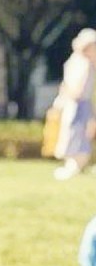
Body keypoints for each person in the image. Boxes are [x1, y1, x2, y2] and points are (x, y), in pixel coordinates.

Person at [52, 28, 96, 180]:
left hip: (83, 102)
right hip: (75, 103)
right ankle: (73, 165)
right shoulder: (78, 61)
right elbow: (70, 85)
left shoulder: (88, 63)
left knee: (82, 134)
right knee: (73, 133)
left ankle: (78, 165)